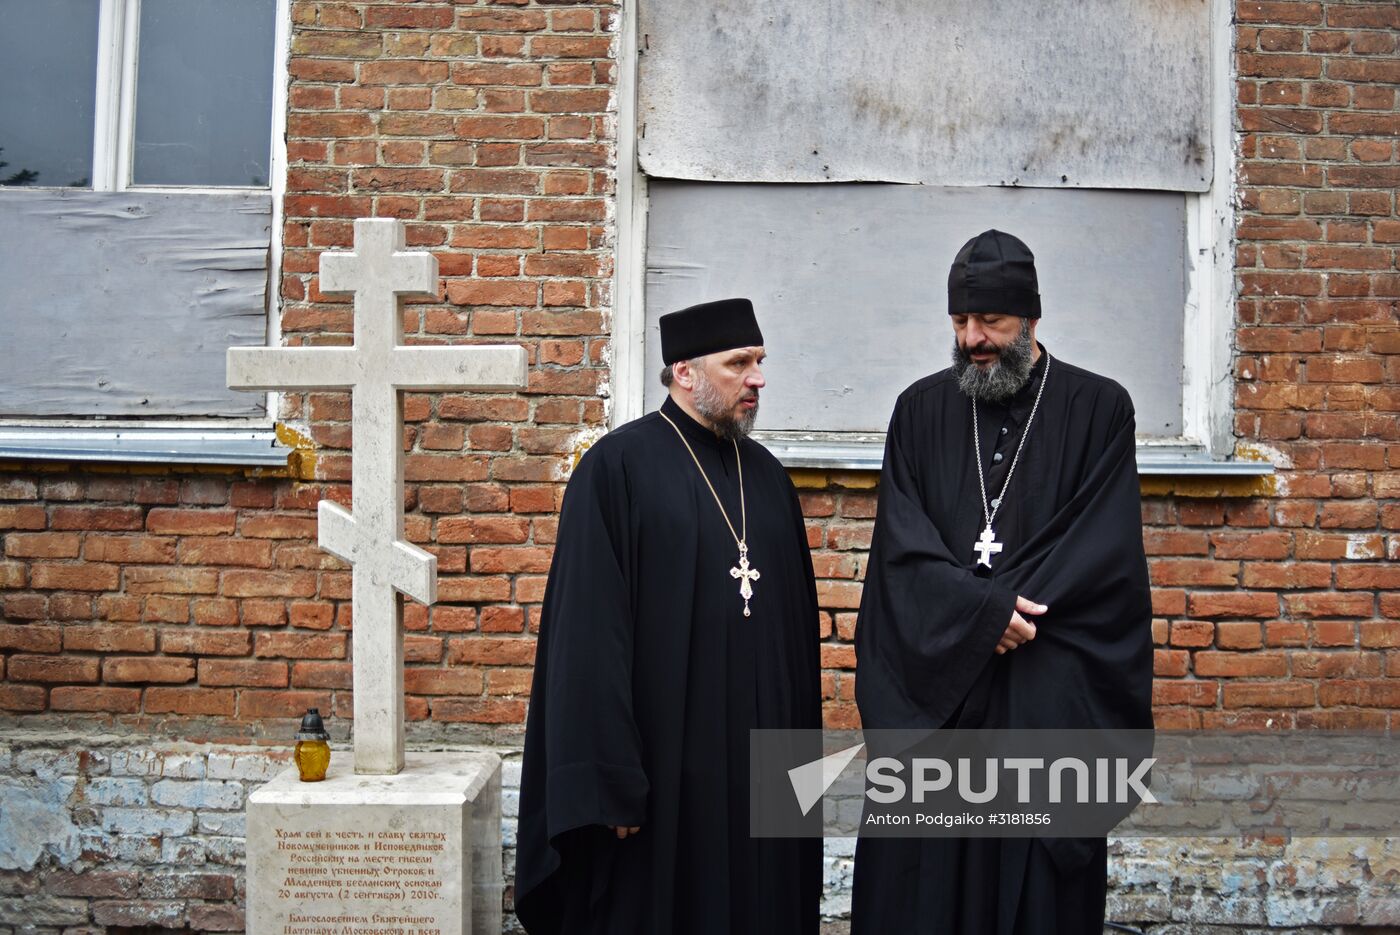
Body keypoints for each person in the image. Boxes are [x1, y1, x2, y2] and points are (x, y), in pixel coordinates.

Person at [851, 230, 1153, 933]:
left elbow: (1100, 550)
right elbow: (901, 548)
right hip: (940, 711)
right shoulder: (920, 410)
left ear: (1031, 318)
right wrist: (981, 612)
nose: (972, 338)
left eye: (989, 321)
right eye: (960, 322)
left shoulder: (1100, 409)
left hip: (1042, 701)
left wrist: (1002, 614)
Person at [515, 298, 822, 934]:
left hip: (761, 772)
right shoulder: (617, 469)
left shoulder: (767, 479)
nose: (757, 379)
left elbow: (795, 642)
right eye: (739, 363)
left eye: (760, 362)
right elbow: (587, 638)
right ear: (684, 371)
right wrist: (607, 781)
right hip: (663, 776)